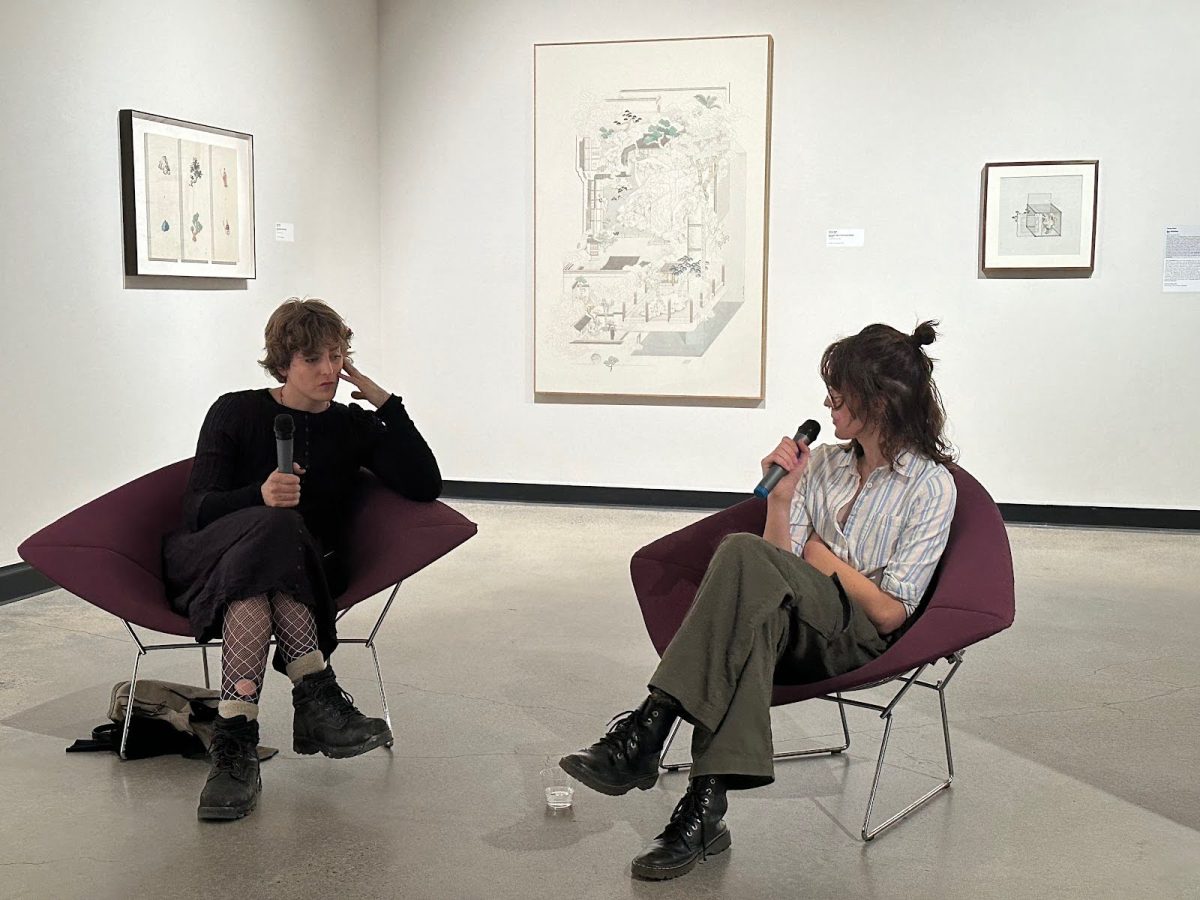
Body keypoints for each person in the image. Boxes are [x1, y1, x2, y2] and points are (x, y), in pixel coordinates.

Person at [560, 321, 958, 880]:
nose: (828, 403)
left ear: (880, 400)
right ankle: (704, 809)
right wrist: (784, 498)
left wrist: (821, 557)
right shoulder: (825, 467)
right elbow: (772, 567)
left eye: (839, 392)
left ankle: (649, 727)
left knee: (742, 555)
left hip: (859, 636)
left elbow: (892, 610)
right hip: (796, 620)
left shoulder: (931, 486)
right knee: (755, 611)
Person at [163, 297, 442, 821]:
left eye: (337, 357)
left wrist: (385, 404)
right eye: (313, 359)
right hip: (213, 559)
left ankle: (235, 748)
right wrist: (257, 496)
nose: (329, 371)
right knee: (275, 526)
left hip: (294, 574)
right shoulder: (236, 410)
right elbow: (196, 508)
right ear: (283, 363)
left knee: (260, 589)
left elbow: (424, 484)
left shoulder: (352, 426)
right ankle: (316, 694)